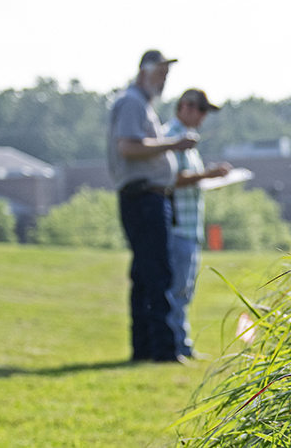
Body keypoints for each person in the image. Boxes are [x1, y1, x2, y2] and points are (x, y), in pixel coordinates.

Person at [108, 49, 197, 363]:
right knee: (157, 273)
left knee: (147, 274)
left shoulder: (140, 104)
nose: (164, 83)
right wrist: (175, 144)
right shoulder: (132, 102)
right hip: (144, 197)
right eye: (161, 75)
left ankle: (145, 347)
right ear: (145, 72)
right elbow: (128, 146)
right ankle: (162, 350)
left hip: (147, 196)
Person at [164, 88, 230, 359]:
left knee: (185, 290)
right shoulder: (171, 137)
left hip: (190, 227)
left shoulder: (188, 141)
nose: (204, 117)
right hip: (178, 227)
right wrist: (209, 173)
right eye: (201, 110)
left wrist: (209, 175)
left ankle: (183, 345)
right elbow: (172, 178)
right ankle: (175, 347)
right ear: (186, 107)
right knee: (177, 290)